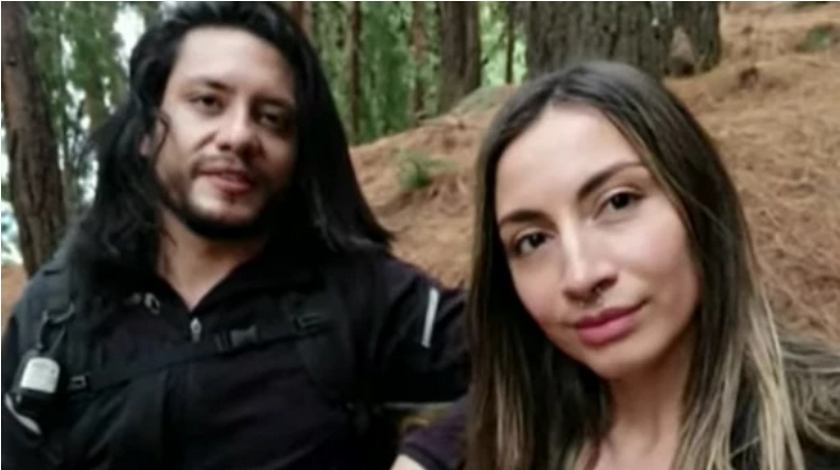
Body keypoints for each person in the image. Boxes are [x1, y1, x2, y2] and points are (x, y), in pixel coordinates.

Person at [1, 3, 468, 470]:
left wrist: (430, 456)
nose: (239, 135)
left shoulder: (361, 294)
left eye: (272, 118)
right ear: (145, 130)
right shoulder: (55, 317)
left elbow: (510, 355)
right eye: (208, 102)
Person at [464, 61, 840, 470]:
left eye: (618, 202)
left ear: (698, 199)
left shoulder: (823, 438)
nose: (581, 275)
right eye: (533, 240)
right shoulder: (519, 442)